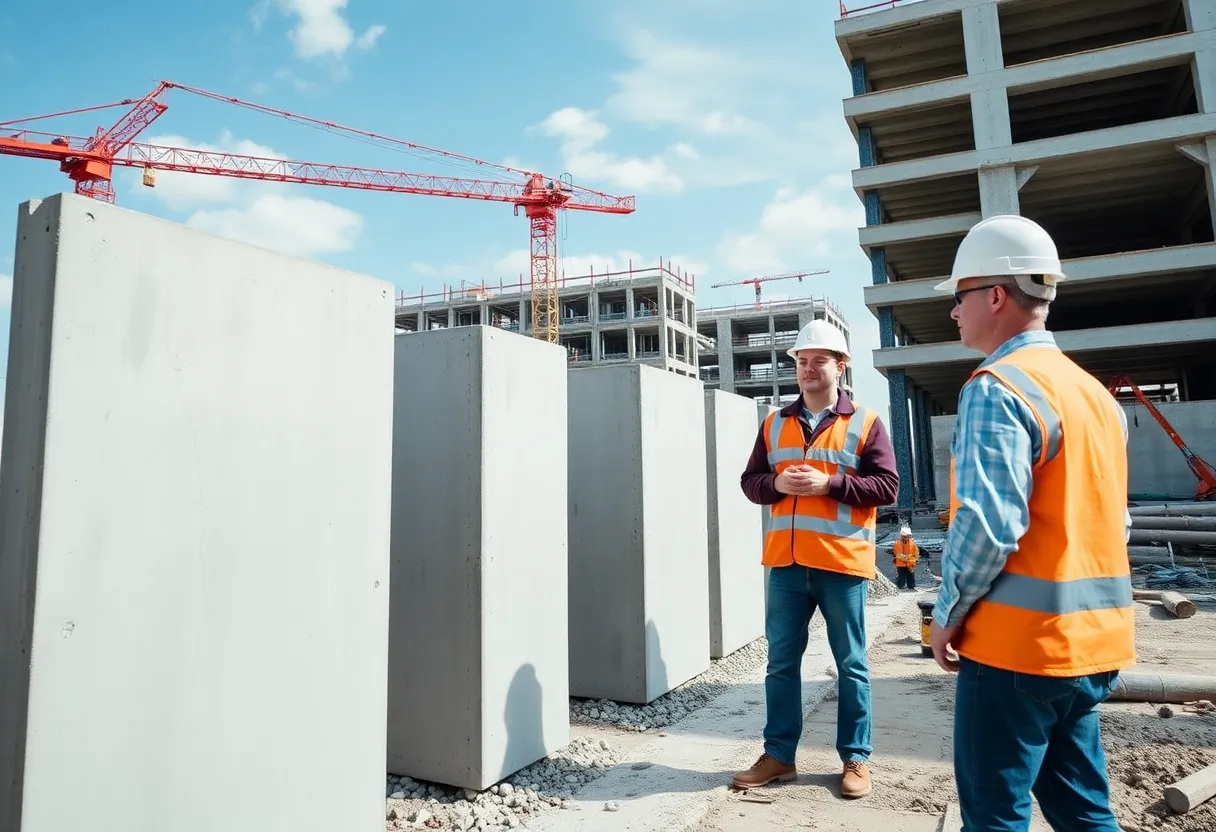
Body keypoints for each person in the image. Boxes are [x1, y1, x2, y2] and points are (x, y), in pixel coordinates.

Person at [929, 214, 1135, 831]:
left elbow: (989, 526)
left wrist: (946, 616)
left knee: (994, 818)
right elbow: (1114, 523)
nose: (954, 313)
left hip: (1019, 649)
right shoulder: (1093, 394)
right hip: (1093, 646)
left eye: (960, 297)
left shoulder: (998, 387)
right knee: (1084, 812)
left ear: (995, 294)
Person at [733, 319, 899, 798]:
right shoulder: (775, 422)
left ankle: (856, 760)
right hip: (785, 564)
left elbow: (887, 488)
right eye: (801, 361)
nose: (807, 368)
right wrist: (776, 485)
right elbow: (751, 483)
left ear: (840, 366)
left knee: (852, 664)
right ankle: (779, 756)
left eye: (817, 360)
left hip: (840, 562)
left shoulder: (865, 423)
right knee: (780, 664)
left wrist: (830, 483)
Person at [892, 526, 918, 590]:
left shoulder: (912, 544)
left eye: (908, 536)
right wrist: (909, 559)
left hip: (909, 563)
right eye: (906, 536)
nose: (907, 537)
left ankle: (911, 586)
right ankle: (901, 586)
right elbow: (898, 554)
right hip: (902, 564)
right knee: (901, 576)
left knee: (910, 575)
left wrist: (912, 560)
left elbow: (916, 553)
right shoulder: (897, 543)